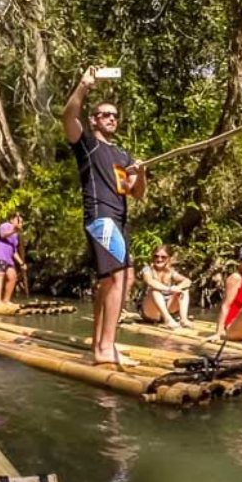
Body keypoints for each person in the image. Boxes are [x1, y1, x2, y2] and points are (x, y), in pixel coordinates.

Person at [62, 65, 147, 367]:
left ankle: (101, 343)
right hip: (100, 216)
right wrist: (84, 85)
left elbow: (134, 192)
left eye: (114, 115)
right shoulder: (88, 144)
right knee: (118, 277)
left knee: (120, 279)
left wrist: (141, 173)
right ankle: (105, 348)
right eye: (105, 114)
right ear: (94, 120)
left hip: (120, 220)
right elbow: (68, 116)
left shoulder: (122, 155)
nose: (112, 118)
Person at [139, 245, 192, 329]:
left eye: (163, 257)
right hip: (150, 311)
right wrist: (169, 289)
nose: (159, 259)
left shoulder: (171, 272)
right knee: (155, 291)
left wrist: (178, 287)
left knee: (184, 290)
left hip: (168, 307)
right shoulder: (147, 270)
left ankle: (183, 319)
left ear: (168, 258)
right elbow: (150, 282)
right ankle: (168, 320)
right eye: (156, 256)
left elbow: (187, 281)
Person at [0, 213, 27, 305]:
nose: (20, 224)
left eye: (21, 222)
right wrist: (14, 230)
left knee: (13, 276)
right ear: (12, 220)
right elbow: (3, 235)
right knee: (0, 275)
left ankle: (6, 300)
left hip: (8, 258)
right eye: (18, 221)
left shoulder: (16, 237)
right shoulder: (6, 226)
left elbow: (14, 252)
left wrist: (22, 263)